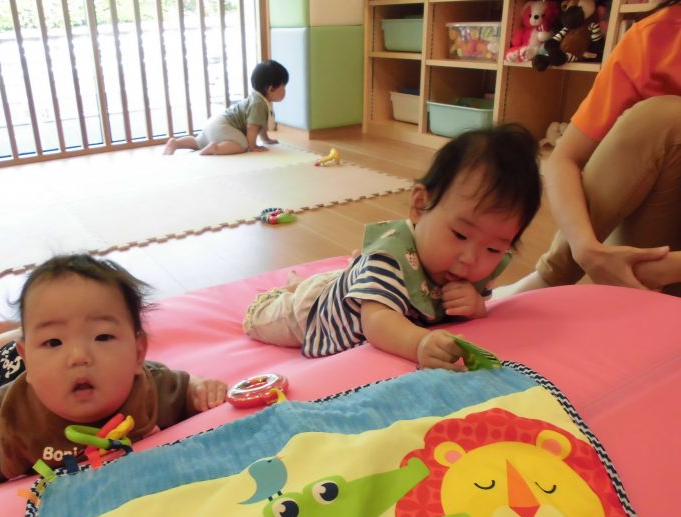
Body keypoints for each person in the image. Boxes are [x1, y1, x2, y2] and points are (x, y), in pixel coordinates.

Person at [0, 254, 227, 517]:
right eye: (54, 341)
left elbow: (186, 390)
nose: (79, 356)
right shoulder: (10, 417)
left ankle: (33, 335)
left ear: (138, 353)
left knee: (60, 340)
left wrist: (201, 390)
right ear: (31, 358)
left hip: (35, 356)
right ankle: (9, 341)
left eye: (103, 336)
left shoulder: (148, 386)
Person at [242, 124, 542, 370]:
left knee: (353, 280)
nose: (470, 260)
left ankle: (330, 280)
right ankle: (287, 293)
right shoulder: (392, 260)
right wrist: (419, 344)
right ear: (420, 206)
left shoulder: (474, 267)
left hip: (361, 284)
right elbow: (376, 320)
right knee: (261, 321)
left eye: (493, 250)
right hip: (314, 313)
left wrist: (476, 306)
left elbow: (479, 297)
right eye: (460, 235)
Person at [494, 0, 681, 298]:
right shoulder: (656, 37)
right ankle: (543, 283)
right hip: (659, 246)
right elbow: (564, 159)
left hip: (663, 269)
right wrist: (585, 250)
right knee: (661, 119)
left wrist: (665, 268)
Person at [163, 59, 288, 155]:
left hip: (216, 123)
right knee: (242, 144)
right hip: (224, 126)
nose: (285, 91)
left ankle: (176, 143)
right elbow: (252, 128)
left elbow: (261, 126)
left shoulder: (258, 99)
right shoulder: (259, 104)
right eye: (284, 87)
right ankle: (215, 149)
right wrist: (252, 146)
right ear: (271, 88)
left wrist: (265, 139)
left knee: (199, 141)